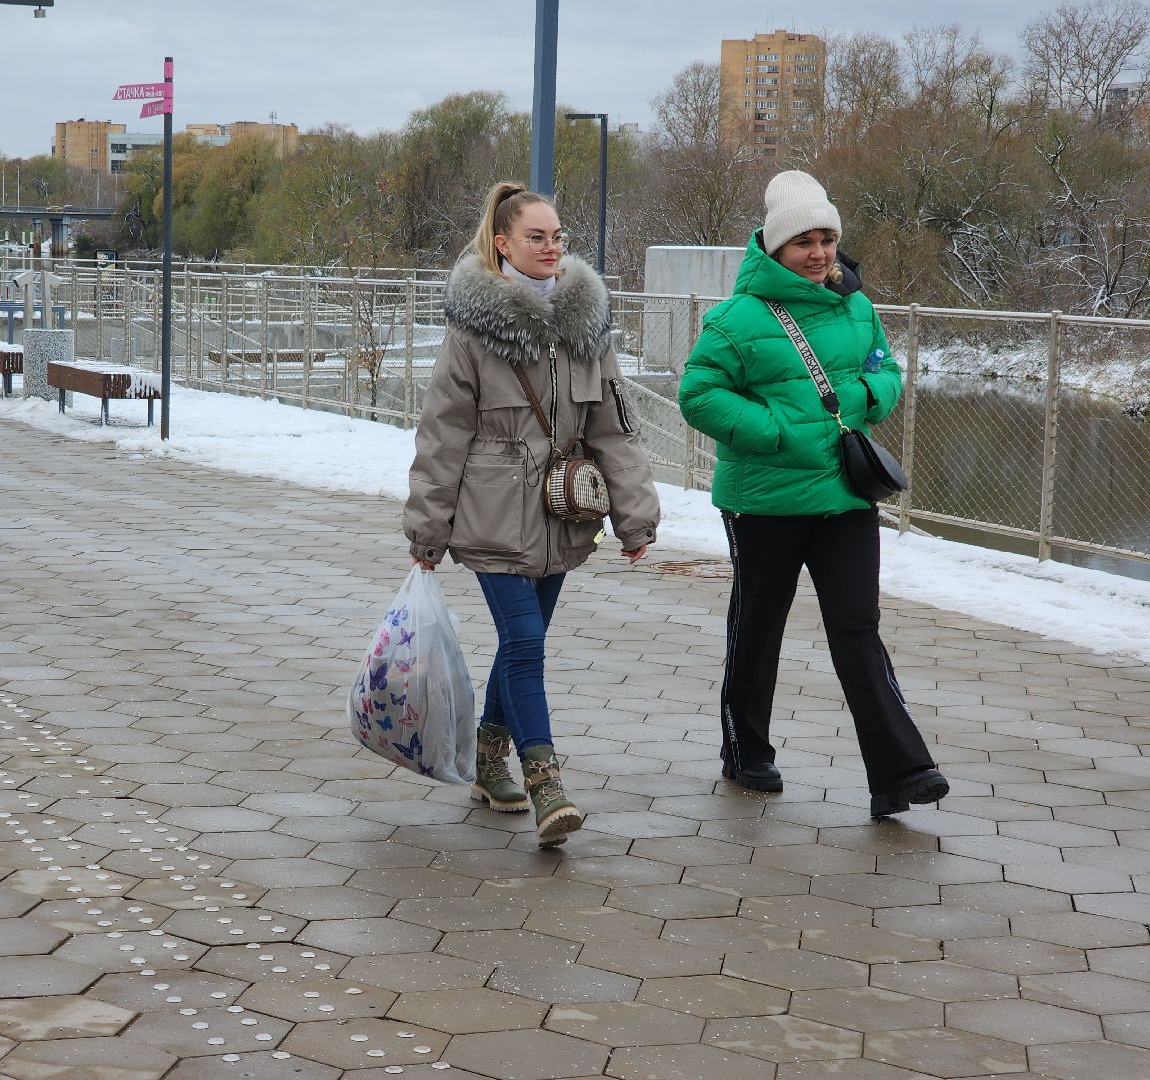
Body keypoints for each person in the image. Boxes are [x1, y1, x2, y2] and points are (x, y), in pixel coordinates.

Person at [678, 170, 948, 819]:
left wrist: (868, 396)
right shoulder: (737, 319)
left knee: (857, 627)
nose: (820, 252)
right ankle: (746, 750)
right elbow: (697, 393)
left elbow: (884, 366)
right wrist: (772, 433)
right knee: (759, 626)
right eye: (804, 240)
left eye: (827, 238)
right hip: (764, 500)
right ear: (775, 247)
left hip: (846, 500)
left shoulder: (855, 305)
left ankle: (901, 772)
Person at [403, 181, 660, 847]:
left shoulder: (587, 328)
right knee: (524, 641)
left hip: (561, 514)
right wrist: (427, 529)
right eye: (536, 237)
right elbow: (442, 435)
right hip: (489, 516)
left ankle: (489, 761)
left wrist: (635, 518)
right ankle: (545, 781)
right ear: (503, 243)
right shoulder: (471, 332)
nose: (551, 248)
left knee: (525, 643)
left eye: (557, 237)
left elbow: (615, 431)